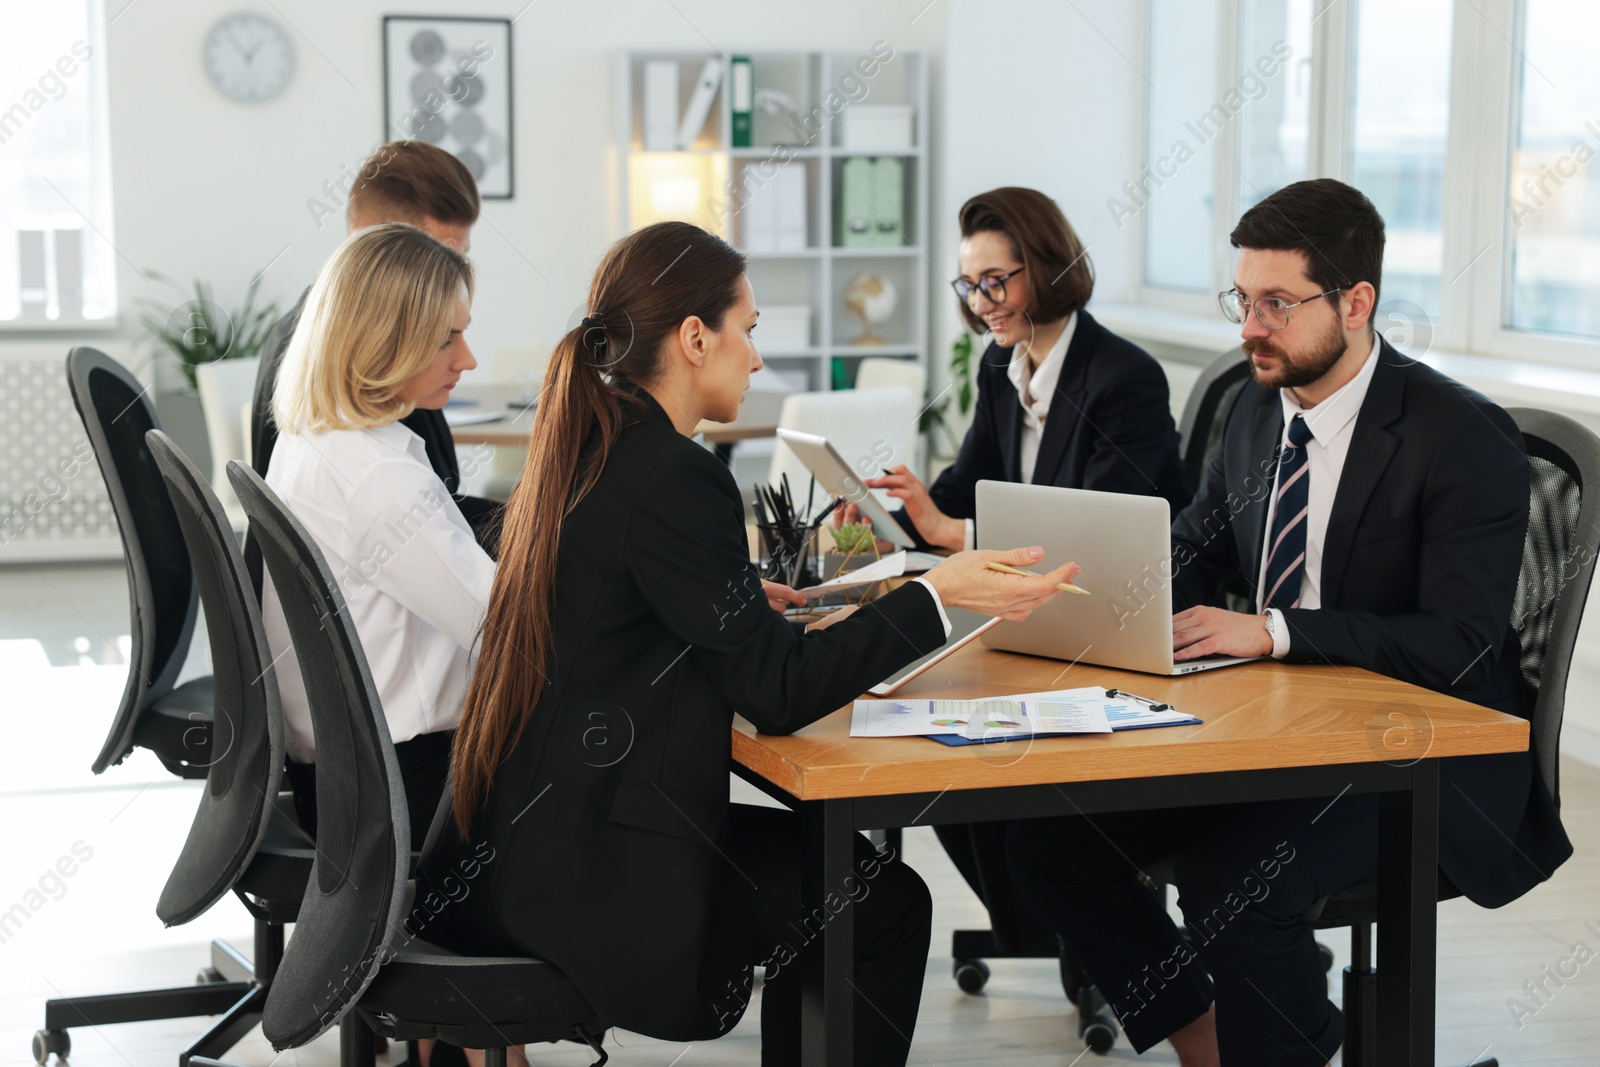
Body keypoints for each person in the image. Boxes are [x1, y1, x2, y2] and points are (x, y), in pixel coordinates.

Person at [415, 221, 1082, 1066]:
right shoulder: (673, 473)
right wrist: (933, 593)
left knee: (852, 893)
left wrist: (729, 602)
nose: (757, 359)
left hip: (518, 844)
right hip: (583, 872)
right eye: (750, 330)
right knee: (880, 908)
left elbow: (624, 600)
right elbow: (778, 691)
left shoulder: (595, 437)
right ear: (696, 338)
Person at [1006, 178, 1573, 1066]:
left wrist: (1274, 631)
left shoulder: (1460, 435)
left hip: (1421, 755)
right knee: (1045, 830)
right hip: (1277, 734)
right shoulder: (1253, 413)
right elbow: (1193, 548)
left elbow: (1459, 646)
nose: (1248, 327)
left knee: (1234, 885)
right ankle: (1215, 1044)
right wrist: (1080, 594)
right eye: (1243, 299)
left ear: (1357, 303)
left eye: (1277, 303)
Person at [845, 186, 1195, 960]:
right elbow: (967, 484)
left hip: (1108, 628)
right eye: (970, 285)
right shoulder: (1007, 368)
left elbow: (1099, 535)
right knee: (944, 779)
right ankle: (1065, 934)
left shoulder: (1120, 378)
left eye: (996, 280)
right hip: (1029, 631)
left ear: (1045, 267)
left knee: (988, 789)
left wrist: (954, 533)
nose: (983, 302)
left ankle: (1085, 937)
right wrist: (889, 520)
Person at [262, 222, 490, 846]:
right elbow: (508, 626)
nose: (466, 359)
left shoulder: (315, 437)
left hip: (349, 781)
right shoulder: (378, 477)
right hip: (407, 796)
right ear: (383, 340)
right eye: (447, 339)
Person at [249, 139, 502, 585]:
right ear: (382, 249)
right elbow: (410, 513)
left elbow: (436, 501)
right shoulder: (357, 372)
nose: (448, 274)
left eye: (457, 258)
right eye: (433, 257)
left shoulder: (317, 336)